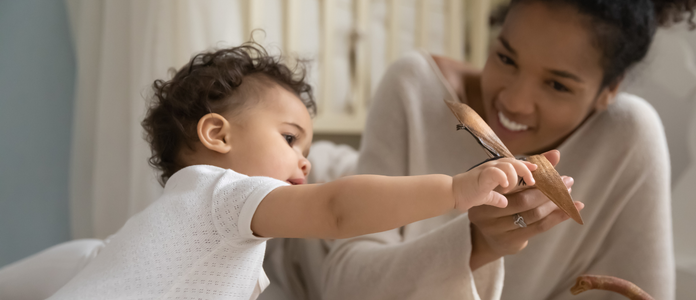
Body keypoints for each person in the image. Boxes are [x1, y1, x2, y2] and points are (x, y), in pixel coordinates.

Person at [46, 43, 539, 300]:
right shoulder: (227, 194)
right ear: (218, 135)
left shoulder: (170, 217)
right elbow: (338, 210)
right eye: (289, 138)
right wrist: (456, 189)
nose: (306, 160)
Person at [322, 0, 696, 299]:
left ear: (610, 90)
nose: (514, 102)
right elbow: (342, 287)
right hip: (316, 205)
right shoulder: (415, 89)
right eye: (505, 58)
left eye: (557, 85)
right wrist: (474, 246)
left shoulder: (629, 136)